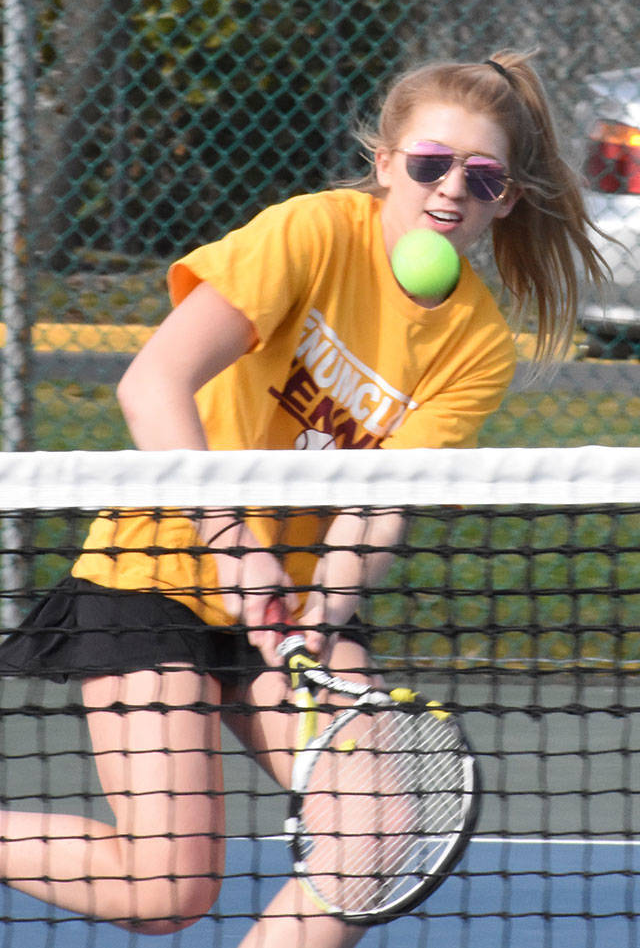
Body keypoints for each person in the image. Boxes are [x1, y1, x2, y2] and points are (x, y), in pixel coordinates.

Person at [0, 49, 610, 947]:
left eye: (481, 178)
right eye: (431, 163)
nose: (451, 192)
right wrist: (233, 542)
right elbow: (153, 383)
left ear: (506, 199)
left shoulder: (476, 344)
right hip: (153, 574)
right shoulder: (312, 233)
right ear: (384, 162)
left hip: (291, 606)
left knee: (375, 838)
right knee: (166, 888)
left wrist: (320, 617)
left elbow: (378, 502)